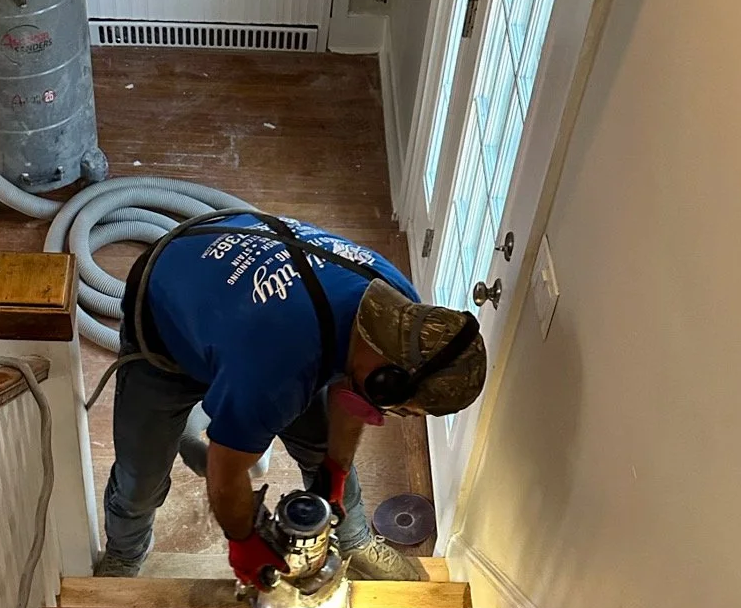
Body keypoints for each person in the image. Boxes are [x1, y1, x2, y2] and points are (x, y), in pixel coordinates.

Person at [94, 209, 488, 584]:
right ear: (387, 379)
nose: (389, 413)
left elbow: (354, 395)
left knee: (320, 446)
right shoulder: (275, 372)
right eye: (399, 408)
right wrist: (243, 543)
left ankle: (353, 539)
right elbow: (225, 473)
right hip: (168, 318)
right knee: (140, 477)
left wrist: (334, 471)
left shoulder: (396, 304)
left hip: (249, 322)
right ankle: (125, 554)